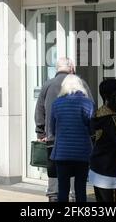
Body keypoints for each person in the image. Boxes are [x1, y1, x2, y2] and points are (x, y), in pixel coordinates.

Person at [35, 57, 92, 202]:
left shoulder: (47, 85)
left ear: (57, 68)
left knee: (57, 175)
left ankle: (53, 196)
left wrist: (41, 132)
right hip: (81, 147)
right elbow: (92, 118)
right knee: (79, 184)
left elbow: (39, 110)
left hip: (55, 142)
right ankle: (75, 197)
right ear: (71, 68)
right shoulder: (82, 85)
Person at [50, 75, 95, 202]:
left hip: (62, 153)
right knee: (80, 188)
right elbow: (92, 129)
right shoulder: (88, 103)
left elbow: (52, 129)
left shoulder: (56, 104)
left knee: (63, 188)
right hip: (82, 153)